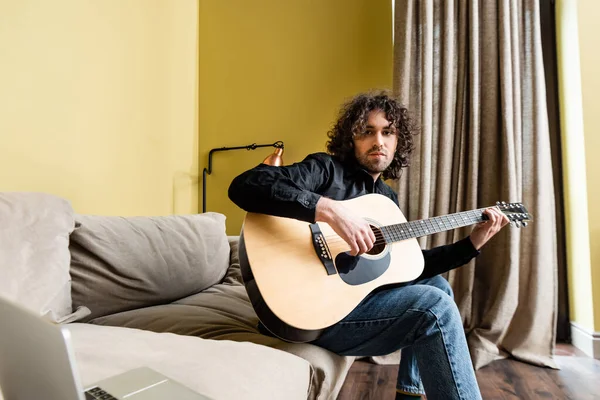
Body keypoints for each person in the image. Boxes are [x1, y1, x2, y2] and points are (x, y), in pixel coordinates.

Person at [228, 91, 509, 400]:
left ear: (397, 142)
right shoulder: (325, 170)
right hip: (307, 313)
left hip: (352, 303)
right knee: (435, 306)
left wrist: (472, 243)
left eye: (388, 132)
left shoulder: (386, 201)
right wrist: (329, 210)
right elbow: (246, 185)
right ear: (352, 139)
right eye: (368, 132)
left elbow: (411, 268)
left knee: (439, 288)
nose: (379, 141)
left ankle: (409, 393)